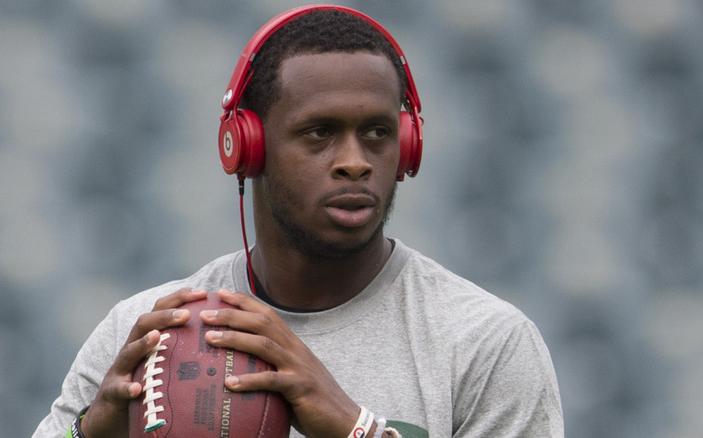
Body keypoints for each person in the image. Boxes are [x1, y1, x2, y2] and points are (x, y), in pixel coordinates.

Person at [34, 5, 563, 438]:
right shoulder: (149, 332)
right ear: (248, 147)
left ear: (406, 148)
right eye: (319, 132)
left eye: (378, 133)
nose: (354, 160)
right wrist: (91, 432)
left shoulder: (486, 343)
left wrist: (354, 429)